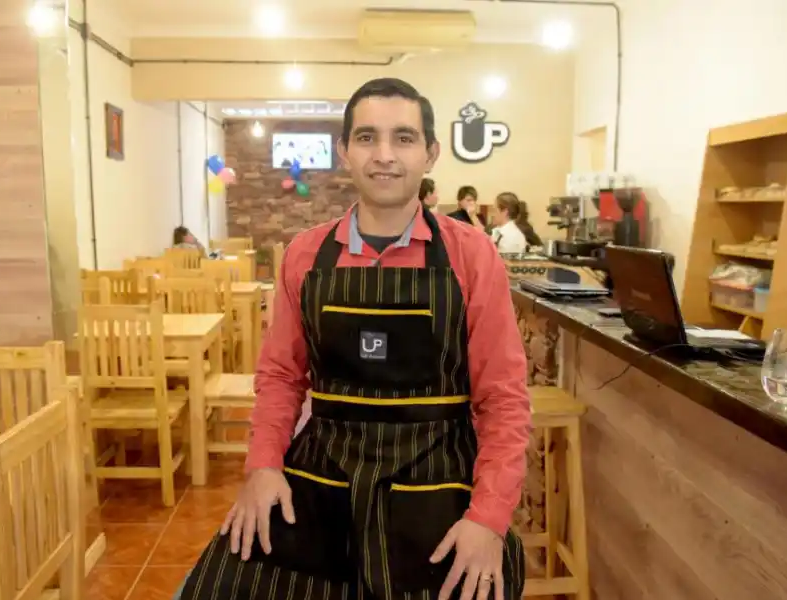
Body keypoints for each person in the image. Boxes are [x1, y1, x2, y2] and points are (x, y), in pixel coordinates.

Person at [176, 77, 529, 600]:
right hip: (324, 470)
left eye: (403, 138)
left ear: (430, 154)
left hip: (437, 471)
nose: (384, 155)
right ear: (344, 152)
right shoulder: (304, 255)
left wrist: (489, 520)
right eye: (367, 138)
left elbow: (503, 399)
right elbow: (279, 376)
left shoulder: (473, 258)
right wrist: (264, 466)